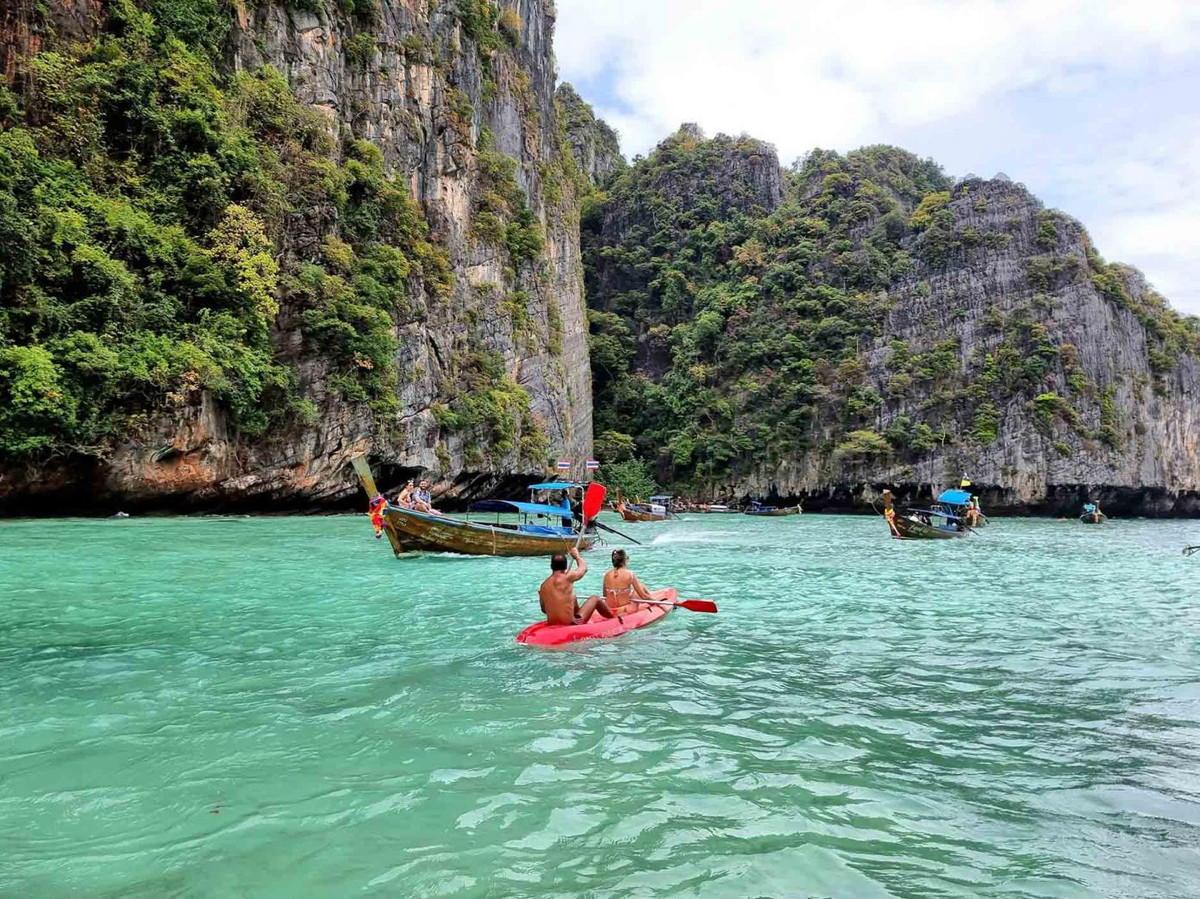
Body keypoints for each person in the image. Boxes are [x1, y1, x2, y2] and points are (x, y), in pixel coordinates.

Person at [539, 547, 617, 626]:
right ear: (566, 566)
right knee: (595, 598)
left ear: (551, 566)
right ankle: (614, 619)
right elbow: (583, 569)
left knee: (573, 597)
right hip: (571, 624)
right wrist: (576, 556)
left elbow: (544, 610)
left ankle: (574, 615)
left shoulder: (544, 586)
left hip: (553, 623)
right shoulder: (567, 577)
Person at [603, 549, 656, 614]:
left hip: (610, 609)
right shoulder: (630, 574)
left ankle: (651, 599)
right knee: (642, 586)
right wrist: (659, 604)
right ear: (625, 560)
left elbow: (605, 595)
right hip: (625, 610)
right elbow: (643, 596)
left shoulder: (606, 574)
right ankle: (653, 603)